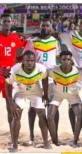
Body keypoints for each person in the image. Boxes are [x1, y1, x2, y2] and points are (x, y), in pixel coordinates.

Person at [22, 18, 61, 145]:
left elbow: (58, 60)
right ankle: (32, 136)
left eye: (47, 25)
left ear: (51, 27)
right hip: (36, 78)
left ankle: (54, 135)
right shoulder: (32, 42)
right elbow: (26, 60)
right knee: (33, 108)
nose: (45, 28)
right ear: (40, 27)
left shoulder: (55, 42)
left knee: (53, 107)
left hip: (50, 79)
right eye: (42, 25)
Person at [5, 51, 52, 152]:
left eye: (32, 60)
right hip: (20, 90)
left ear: (35, 61)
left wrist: (46, 95)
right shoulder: (15, 69)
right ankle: (14, 145)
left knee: (42, 114)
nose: (30, 63)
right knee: (16, 115)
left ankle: (46, 143)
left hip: (35, 90)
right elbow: (7, 85)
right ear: (23, 61)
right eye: (27, 61)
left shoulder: (41, 68)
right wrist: (11, 103)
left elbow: (44, 79)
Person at [47, 50, 82, 147]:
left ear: (71, 60)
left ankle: (75, 141)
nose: (66, 61)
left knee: (80, 115)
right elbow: (44, 76)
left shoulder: (78, 71)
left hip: (72, 95)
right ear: (60, 60)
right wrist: (46, 93)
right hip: (58, 94)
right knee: (50, 116)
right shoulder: (53, 70)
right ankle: (55, 141)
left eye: (68, 59)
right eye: (63, 59)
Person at [0, 13, 26, 141]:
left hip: (9, 76)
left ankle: (12, 136)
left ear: (11, 23)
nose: (6, 24)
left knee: (10, 106)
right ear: (1, 23)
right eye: (4, 22)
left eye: (8, 22)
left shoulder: (16, 37)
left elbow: (22, 53)